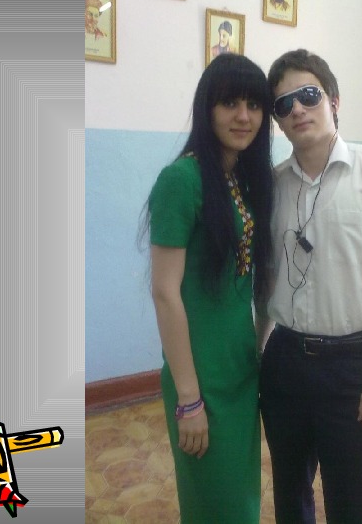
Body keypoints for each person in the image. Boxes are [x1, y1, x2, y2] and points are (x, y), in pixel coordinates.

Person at [258, 49, 362, 523]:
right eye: (284, 104)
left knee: (356, 506)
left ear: (334, 101)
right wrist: (257, 354)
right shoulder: (273, 186)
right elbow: (266, 282)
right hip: (285, 363)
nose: (297, 109)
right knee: (290, 495)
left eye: (308, 95)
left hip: (353, 366)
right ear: (279, 121)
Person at [144, 53, 274, 523]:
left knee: (241, 497)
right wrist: (189, 398)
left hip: (240, 368)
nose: (243, 116)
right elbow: (165, 292)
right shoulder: (181, 180)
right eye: (229, 103)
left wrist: (258, 350)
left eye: (254, 105)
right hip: (200, 377)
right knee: (214, 504)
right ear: (207, 109)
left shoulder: (243, 178)